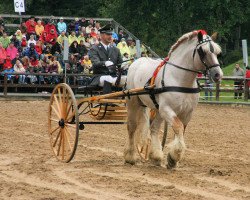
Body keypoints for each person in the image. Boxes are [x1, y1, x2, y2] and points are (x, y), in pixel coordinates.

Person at [89, 24, 124, 93]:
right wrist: (105, 63)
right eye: (108, 34)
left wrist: (124, 65)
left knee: (127, 79)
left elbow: (120, 63)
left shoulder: (116, 49)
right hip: (99, 76)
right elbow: (95, 63)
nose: (110, 36)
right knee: (108, 78)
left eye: (111, 34)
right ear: (101, 35)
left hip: (114, 76)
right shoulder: (94, 49)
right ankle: (107, 101)